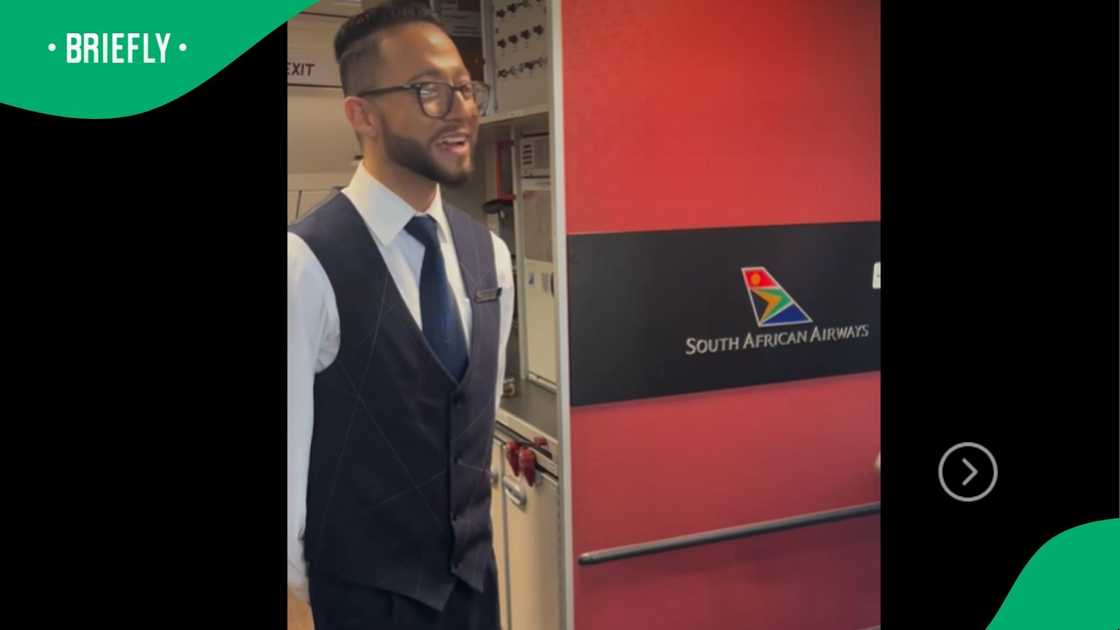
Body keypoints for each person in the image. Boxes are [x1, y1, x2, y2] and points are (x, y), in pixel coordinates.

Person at [287, 2, 515, 628]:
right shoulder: (306, 263)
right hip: (358, 600)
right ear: (360, 114)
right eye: (428, 91)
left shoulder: (488, 256)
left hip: (472, 589)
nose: (461, 110)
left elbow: (475, 422)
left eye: (466, 90)